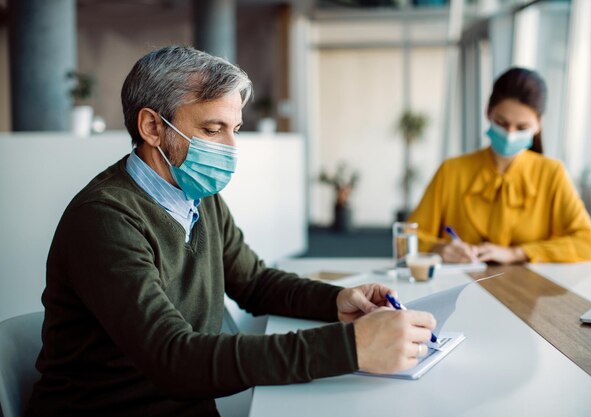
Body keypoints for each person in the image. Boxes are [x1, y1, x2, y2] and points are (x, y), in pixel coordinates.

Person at [26, 46, 436, 417]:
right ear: (152, 127)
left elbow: (254, 282)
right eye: (211, 129)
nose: (230, 149)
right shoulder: (104, 219)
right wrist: (352, 348)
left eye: (234, 130)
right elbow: (173, 359)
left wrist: (340, 301)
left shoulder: (196, 195)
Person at [408, 67, 591, 264]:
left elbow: (588, 243)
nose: (509, 134)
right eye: (501, 122)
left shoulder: (552, 174)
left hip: (529, 291)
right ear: (488, 112)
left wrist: (517, 253)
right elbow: (408, 239)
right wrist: (438, 248)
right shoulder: (451, 171)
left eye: (522, 127)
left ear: (538, 125)